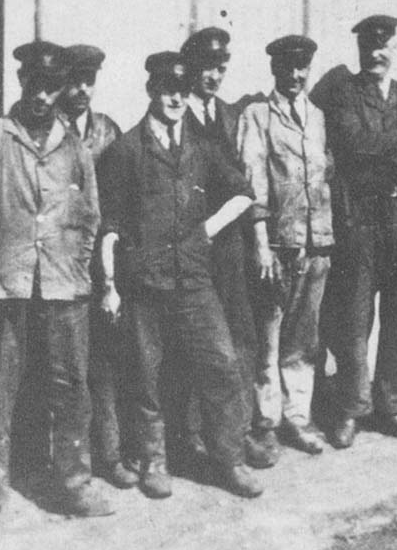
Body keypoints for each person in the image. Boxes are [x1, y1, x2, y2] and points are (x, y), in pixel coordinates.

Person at [0, 40, 111, 543]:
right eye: (34, 85)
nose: (43, 96)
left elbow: (90, 213)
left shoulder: (75, 146)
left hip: (64, 286)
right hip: (8, 286)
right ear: (21, 82)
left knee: (71, 389)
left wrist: (78, 264)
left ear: (62, 87)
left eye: (52, 87)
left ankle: (75, 483)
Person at [96, 51, 263, 499]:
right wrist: (110, 285)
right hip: (143, 283)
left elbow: (243, 192)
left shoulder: (201, 147)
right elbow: (109, 224)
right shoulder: (126, 150)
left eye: (183, 92)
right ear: (151, 91)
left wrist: (207, 229)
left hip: (193, 279)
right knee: (145, 377)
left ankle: (229, 459)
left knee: (222, 366)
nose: (176, 99)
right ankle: (153, 461)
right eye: (168, 90)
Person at [310, 15, 397, 446]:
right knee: (355, 317)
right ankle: (350, 408)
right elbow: (351, 144)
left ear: (395, 49)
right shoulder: (347, 94)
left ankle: (394, 405)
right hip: (361, 220)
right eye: (369, 46)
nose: (376, 53)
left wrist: (387, 151)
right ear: (360, 49)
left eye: (384, 46)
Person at [180, 27, 273, 469]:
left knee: (241, 335)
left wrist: (255, 236)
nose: (213, 76)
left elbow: (248, 178)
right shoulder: (177, 114)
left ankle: (238, 431)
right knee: (197, 341)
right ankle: (194, 436)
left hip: (230, 243)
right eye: (205, 67)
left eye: (220, 68)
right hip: (194, 243)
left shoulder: (232, 116)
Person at [239, 35, 332, 456]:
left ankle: (298, 417)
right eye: (288, 67)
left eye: (302, 68)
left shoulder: (317, 116)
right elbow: (253, 179)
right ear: (274, 69)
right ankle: (265, 421)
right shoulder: (258, 114)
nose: (296, 76)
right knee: (269, 336)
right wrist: (261, 242)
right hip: (278, 243)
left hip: (317, 242)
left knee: (303, 339)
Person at [57, 44, 137, 487]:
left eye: (90, 80)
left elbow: (121, 197)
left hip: (100, 265)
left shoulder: (108, 131)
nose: (82, 89)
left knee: (104, 365)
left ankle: (109, 455)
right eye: (75, 80)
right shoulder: (47, 130)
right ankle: (55, 461)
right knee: (60, 370)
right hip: (56, 266)